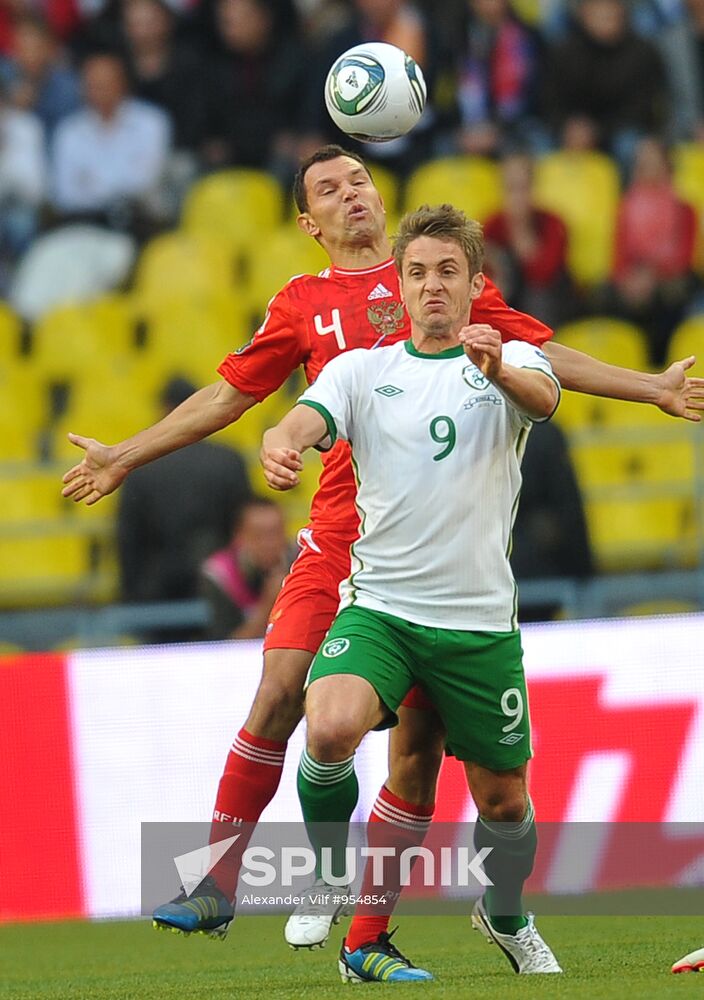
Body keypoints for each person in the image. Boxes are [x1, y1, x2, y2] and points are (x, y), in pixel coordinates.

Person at [61, 145, 704, 951]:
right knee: (280, 693)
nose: (350, 195)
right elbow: (231, 395)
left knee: (416, 761)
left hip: (429, 555)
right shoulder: (301, 303)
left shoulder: (434, 279)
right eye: (329, 190)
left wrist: (648, 386)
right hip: (338, 540)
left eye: (359, 180)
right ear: (308, 222)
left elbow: (541, 357)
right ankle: (219, 881)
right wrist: (124, 453)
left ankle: (375, 928)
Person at [261, 203, 562, 981]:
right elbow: (303, 419)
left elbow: (546, 399)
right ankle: (329, 875)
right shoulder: (364, 370)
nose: (432, 286)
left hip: (477, 625)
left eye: (448, 272)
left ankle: (505, 914)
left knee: (504, 805)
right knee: (326, 729)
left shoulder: (516, 357)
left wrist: (496, 367)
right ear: (400, 283)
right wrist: (280, 443)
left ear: (474, 283)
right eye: (418, 272)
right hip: (383, 610)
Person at [117, 376, 252, 610]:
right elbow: (244, 524)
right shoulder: (229, 460)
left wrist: (132, 593)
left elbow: (128, 536)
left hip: (155, 591)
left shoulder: (141, 466)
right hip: (219, 584)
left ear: (165, 408)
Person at [50, 49, 171, 230]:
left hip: (141, 223)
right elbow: (65, 194)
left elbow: (147, 182)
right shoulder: (69, 131)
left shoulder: (151, 122)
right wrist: (115, 192)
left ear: (123, 83)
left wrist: (92, 183)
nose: (100, 90)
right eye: (93, 84)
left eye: (106, 83)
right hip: (84, 225)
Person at [200, 496, 292, 641]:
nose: (269, 544)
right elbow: (226, 648)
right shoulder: (220, 575)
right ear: (239, 536)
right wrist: (268, 604)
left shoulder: (301, 564)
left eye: (276, 533)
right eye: (259, 535)